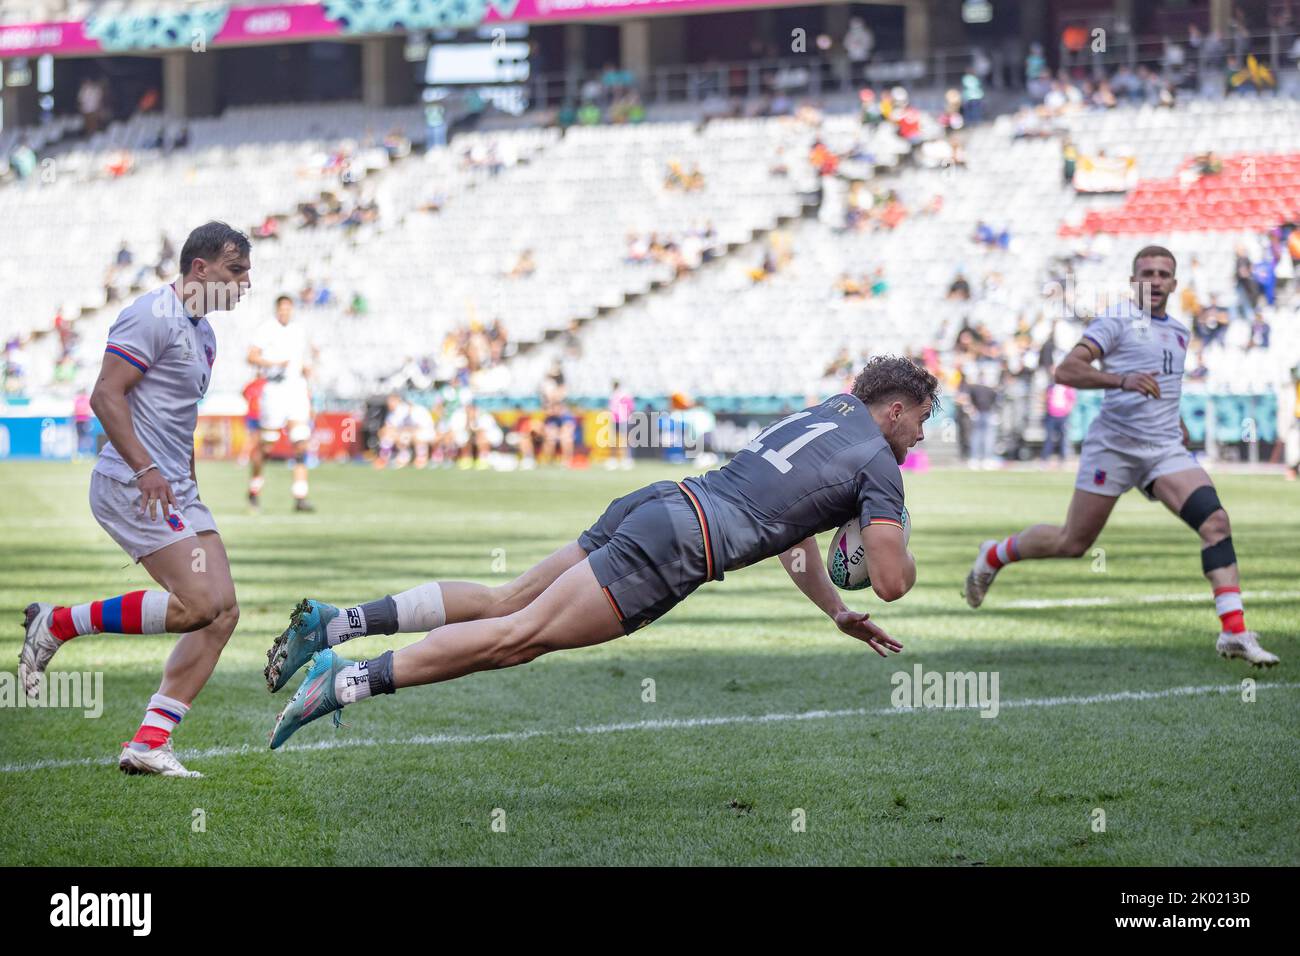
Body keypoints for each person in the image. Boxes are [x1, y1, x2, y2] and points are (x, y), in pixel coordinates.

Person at [262, 357, 937, 747]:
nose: (920, 437)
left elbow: (789, 533)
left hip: (658, 503)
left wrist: (831, 612)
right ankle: (343, 679)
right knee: (515, 637)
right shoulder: (880, 462)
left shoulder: (829, 411)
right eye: (922, 421)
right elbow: (889, 582)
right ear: (897, 410)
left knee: (508, 599)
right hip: (678, 546)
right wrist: (891, 519)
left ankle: (336, 622)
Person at [962, 247, 1279, 667]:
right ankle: (993, 554)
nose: (1155, 279)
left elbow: (1163, 388)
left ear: (1174, 283)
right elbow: (1066, 371)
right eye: (1146, 272)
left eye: (1163, 273)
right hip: (1113, 447)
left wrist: (1178, 423)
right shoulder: (1115, 321)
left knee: (1216, 523)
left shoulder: (1181, 333)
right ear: (1133, 281)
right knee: (1072, 543)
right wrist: (1121, 379)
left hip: (1164, 449)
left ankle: (1233, 632)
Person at [18, 221, 252, 777]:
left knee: (221, 614)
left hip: (175, 488)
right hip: (131, 481)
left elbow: (179, 420)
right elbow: (105, 393)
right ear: (201, 268)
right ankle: (58, 624)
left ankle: (149, 743)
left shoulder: (205, 335)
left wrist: (188, 490)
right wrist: (147, 468)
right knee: (196, 604)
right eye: (236, 271)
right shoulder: (153, 315)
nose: (245, 284)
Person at [247, 295, 316, 512]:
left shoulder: (299, 330)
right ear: (277, 310)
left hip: (296, 388)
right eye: (282, 309)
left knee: (300, 441)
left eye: (289, 308)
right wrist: (274, 363)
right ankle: (254, 489)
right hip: (274, 389)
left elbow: (302, 358)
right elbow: (251, 357)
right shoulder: (266, 329)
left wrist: (306, 369)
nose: (285, 312)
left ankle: (300, 495)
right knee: (267, 445)